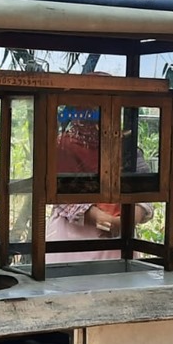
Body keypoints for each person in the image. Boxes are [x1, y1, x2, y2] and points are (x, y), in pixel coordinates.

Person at [46, 102, 153, 262]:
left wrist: (125, 221)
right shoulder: (63, 146)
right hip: (71, 244)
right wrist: (102, 219)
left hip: (119, 244)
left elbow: (145, 189)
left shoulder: (126, 148)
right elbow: (60, 190)